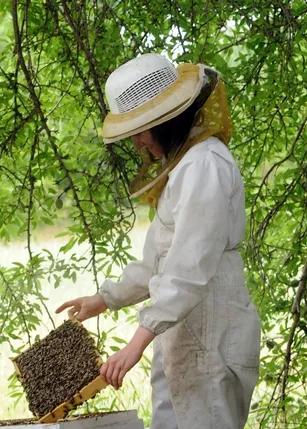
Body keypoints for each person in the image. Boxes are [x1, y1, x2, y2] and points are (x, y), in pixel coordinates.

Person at [56, 54, 261, 429]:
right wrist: (104, 299)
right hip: (183, 335)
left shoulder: (205, 165)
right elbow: (158, 263)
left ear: (166, 121)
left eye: (141, 130)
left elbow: (188, 271)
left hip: (211, 336)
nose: (137, 143)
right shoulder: (184, 167)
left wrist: (134, 345)